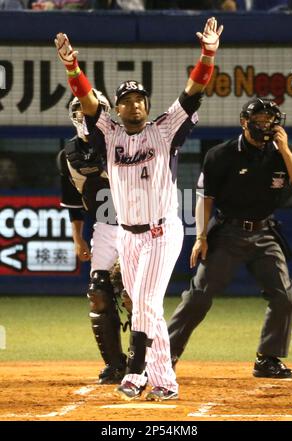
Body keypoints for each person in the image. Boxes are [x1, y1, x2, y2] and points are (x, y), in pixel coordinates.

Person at [54, 16, 223, 401]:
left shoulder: (164, 130)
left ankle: (136, 371)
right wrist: (71, 68)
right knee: (148, 308)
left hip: (163, 231)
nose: (133, 105)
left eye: (139, 100)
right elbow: (85, 99)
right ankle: (165, 382)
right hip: (128, 236)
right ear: (116, 107)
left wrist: (208, 53)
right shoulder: (107, 134)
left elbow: (194, 88)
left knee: (144, 302)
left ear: (147, 105)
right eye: (126, 100)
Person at [168, 97, 292, 379]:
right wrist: (201, 236)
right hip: (227, 232)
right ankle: (164, 356)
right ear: (244, 122)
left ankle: (267, 359)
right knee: (199, 297)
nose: (266, 125)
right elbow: (205, 199)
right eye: (261, 119)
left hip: (264, 232)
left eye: (271, 119)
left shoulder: (281, 152)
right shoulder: (221, 154)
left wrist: (286, 150)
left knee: (285, 297)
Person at [57, 90, 131, 384]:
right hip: (104, 225)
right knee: (98, 293)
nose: (85, 114)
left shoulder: (124, 141)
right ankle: (115, 365)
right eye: (79, 109)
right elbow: (73, 202)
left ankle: (144, 361)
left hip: (138, 225)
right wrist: (78, 238)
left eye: (93, 109)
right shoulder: (68, 155)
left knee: (133, 295)